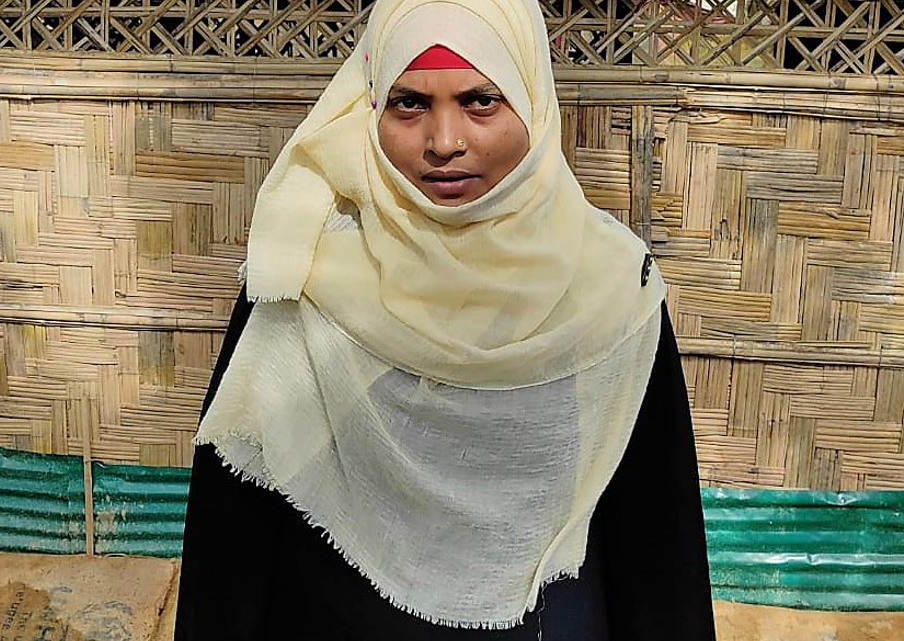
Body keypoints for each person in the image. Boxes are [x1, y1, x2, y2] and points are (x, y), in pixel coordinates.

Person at [174, 0, 717, 638]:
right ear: (371, 108)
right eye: (409, 104)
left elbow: (656, 544)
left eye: (480, 101)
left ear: (534, 104)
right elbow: (233, 530)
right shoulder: (306, 272)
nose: (444, 142)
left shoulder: (610, 288)